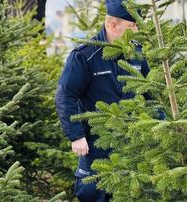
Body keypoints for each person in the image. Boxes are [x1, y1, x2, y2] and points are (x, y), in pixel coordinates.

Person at [55, 0, 150, 201]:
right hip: (96, 143)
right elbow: (66, 94)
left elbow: (150, 92)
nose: (137, 30)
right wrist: (76, 136)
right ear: (112, 25)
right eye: (132, 26)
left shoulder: (137, 54)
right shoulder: (85, 55)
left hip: (132, 142)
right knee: (92, 193)